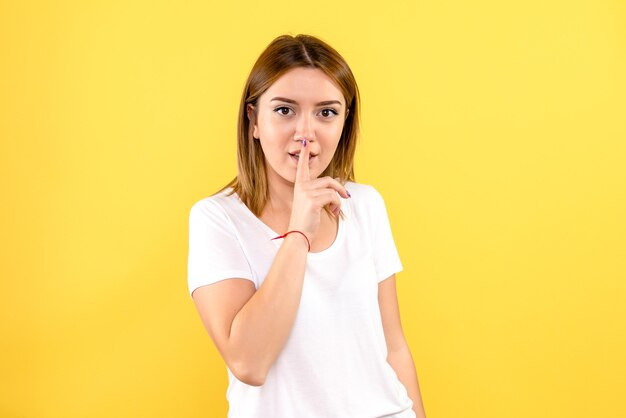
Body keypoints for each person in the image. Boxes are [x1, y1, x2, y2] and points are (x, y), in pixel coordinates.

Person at [187, 34, 426, 418]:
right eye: (285, 110)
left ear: (344, 123)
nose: (306, 132)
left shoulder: (365, 205)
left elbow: (393, 345)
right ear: (253, 120)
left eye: (327, 112)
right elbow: (249, 363)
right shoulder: (217, 219)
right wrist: (298, 232)